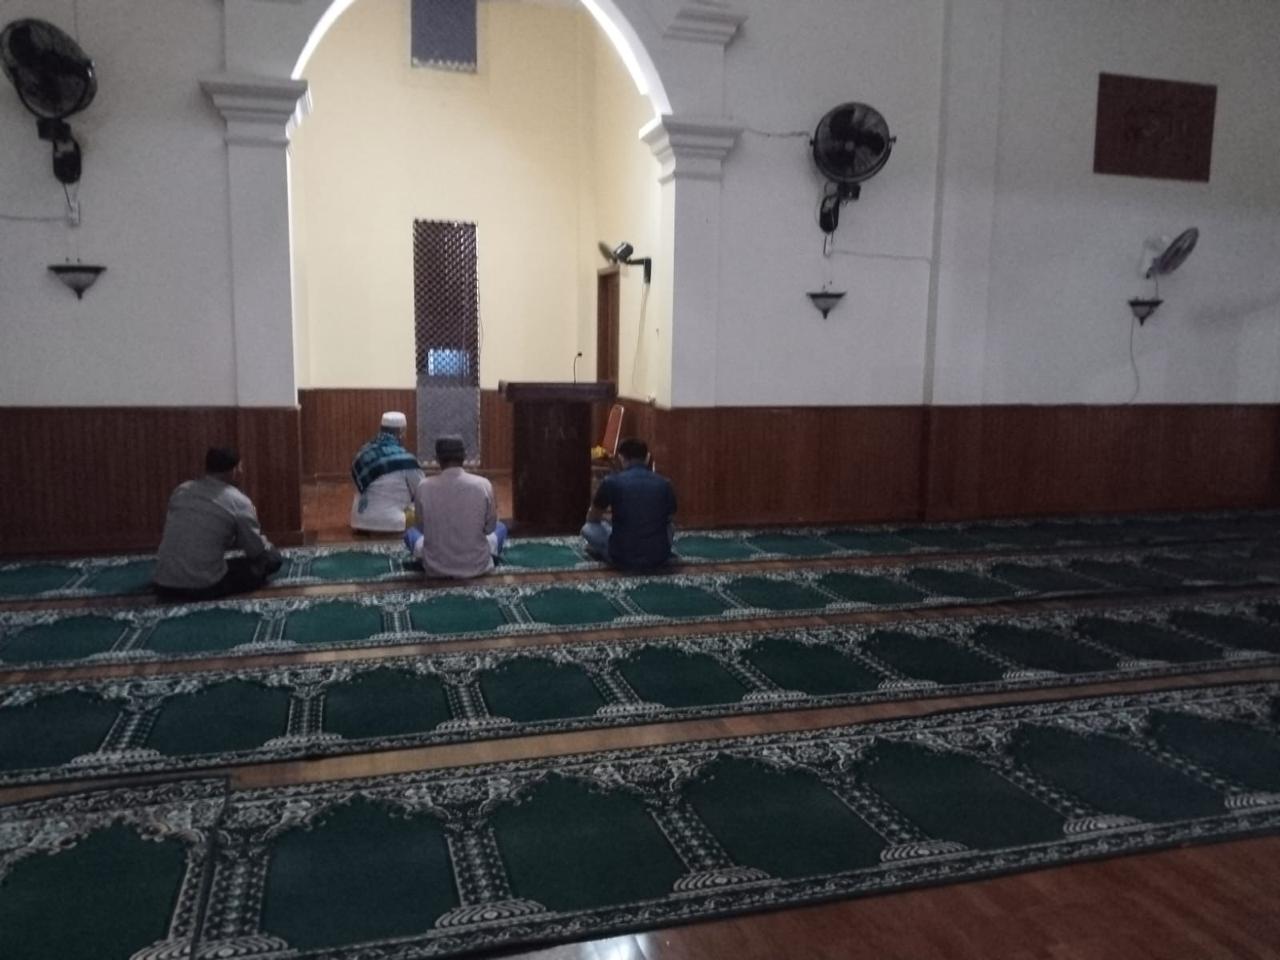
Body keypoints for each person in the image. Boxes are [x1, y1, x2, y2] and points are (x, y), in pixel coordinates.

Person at [153, 447, 284, 600]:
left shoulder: (181, 490)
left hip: (163, 585)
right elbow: (255, 550)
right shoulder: (238, 501)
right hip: (205, 586)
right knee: (272, 559)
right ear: (234, 471)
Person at [404, 435, 508, 578]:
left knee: (411, 532)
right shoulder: (483, 485)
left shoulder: (424, 486)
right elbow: (490, 528)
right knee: (501, 527)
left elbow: (422, 528)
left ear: (437, 459)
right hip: (478, 565)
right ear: (464, 456)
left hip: (435, 568)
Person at [581, 437, 677, 570]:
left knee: (588, 528)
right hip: (659, 557)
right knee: (670, 527)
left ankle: (604, 551)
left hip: (622, 556)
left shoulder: (611, 482)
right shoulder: (665, 483)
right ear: (647, 458)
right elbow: (670, 518)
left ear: (621, 458)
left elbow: (592, 518)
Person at [350, 411, 425, 533]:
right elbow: (422, 491)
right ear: (401, 433)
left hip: (359, 521)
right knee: (421, 510)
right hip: (392, 523)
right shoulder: (406, 460)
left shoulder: (363, 453)